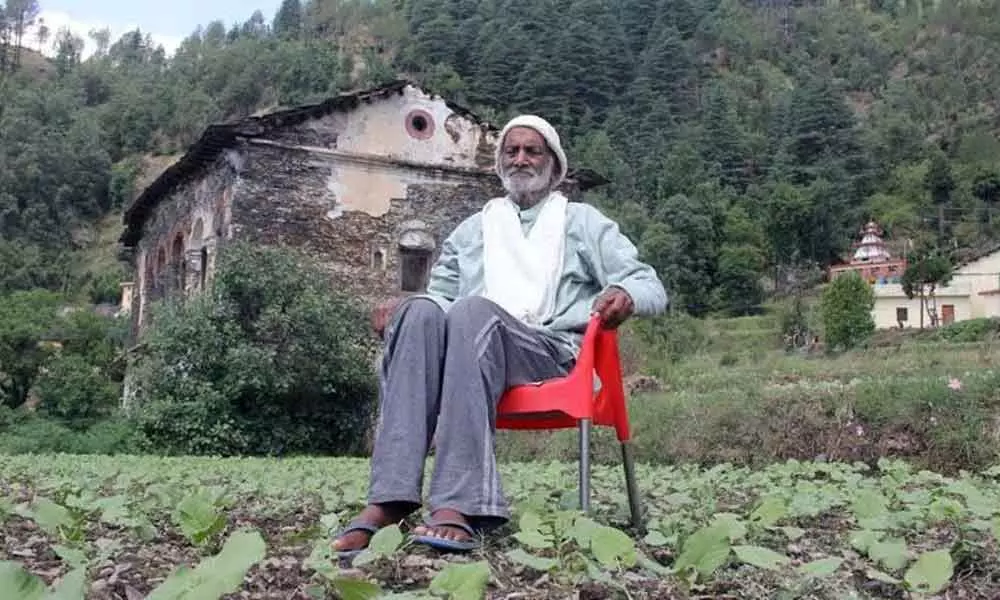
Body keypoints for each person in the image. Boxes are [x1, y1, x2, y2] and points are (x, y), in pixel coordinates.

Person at [332, 115, 667, 557]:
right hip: (472, 352)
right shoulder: (474, 229)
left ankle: (458, 504)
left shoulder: (582, 222)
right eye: (512, 151)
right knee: (417, 313)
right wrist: (405, 305)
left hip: (549, 351)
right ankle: (390, 500)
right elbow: (440, 298)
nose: (521, 159)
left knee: (472, 313)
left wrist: (624, 292)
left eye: (533, 151)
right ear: (500, 163)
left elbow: (649, 284)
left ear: (555, 165)